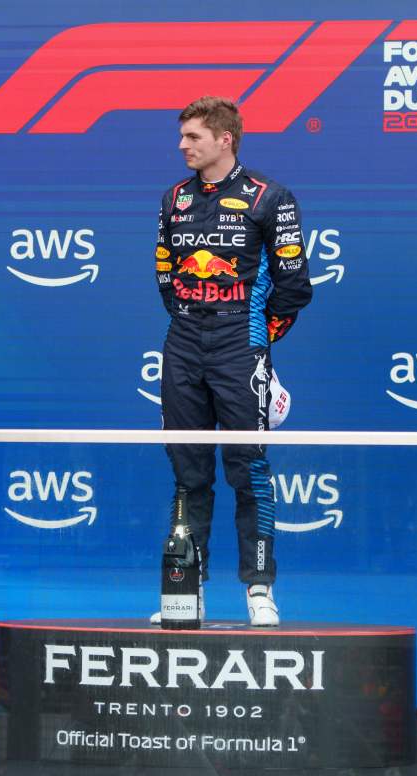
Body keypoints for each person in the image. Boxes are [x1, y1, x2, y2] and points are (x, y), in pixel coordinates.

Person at [150, 96, 312, 627]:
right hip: (183, 342)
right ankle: (185, 593)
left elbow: (294, 288)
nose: (182, 146)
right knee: (187, 472)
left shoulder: (272, 198)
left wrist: (255, 340)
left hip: (240, 344)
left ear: (226, 139)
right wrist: (194, 320)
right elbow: (165, 274)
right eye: (182, 136)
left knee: (249, 468)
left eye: (192, 137)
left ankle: (259, 588)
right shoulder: (174, 197)